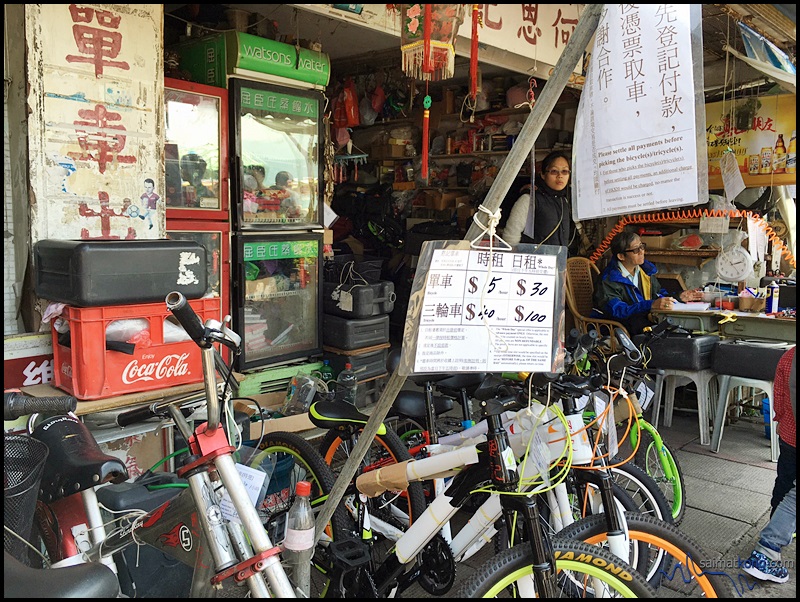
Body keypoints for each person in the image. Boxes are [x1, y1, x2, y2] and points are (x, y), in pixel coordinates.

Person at [742, 345, 795, 584]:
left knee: (784, 484)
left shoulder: (789, 356)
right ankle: (768, 550)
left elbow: (780, 398)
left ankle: (778, 527)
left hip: (790, 437)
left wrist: (781, 422)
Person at [593, 228, 704, 334]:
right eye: (636, 250)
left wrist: (678, 297)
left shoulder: (645, 272)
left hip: (642, 320)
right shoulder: (609, 279)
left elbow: (658, 294)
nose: (642, 252)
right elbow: (617, 310)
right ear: (621, 256)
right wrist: (650, 305)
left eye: (642, 246)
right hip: (618, 326)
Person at [503, 150, 575, 251]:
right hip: (532, 264)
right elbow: (510, 239)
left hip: (557, 264)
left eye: (565, 171)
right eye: (554, 171)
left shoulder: (564, 201)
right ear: (543, 174)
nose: (560, 176)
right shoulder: (529, 200)